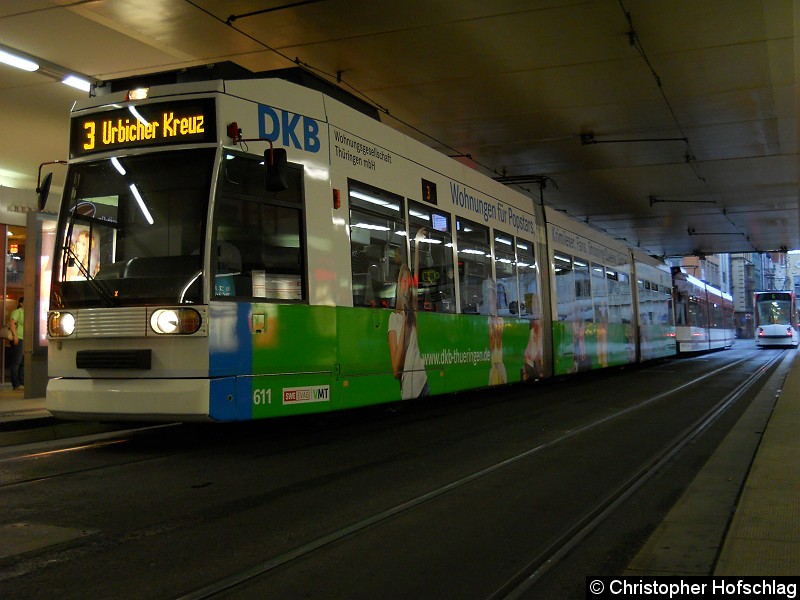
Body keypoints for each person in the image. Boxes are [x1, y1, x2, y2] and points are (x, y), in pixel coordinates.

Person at [387, 231, 429, 400]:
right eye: (404, 281)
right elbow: (396, 371)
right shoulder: (394, 319)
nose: (407, 285)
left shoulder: (413, 311)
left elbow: (417, 274)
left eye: (409, 282)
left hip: (423, 383)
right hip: (409, 392)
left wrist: (417, 244)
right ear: (399, 285)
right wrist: (404, 323)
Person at [8, 296, 23, 390]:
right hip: (19, 338)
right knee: (17, 361)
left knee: (23, 362)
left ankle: (22, 382)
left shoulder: (28, 312)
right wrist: (15, 336)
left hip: (26, 339)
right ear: (21, 303)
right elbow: (12, 323)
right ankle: (15, 383)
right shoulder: (18, 312)